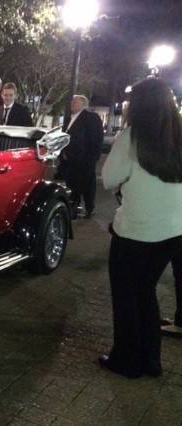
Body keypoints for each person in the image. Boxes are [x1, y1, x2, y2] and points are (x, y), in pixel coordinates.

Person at [100, 78, 182, 378]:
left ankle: (127, 360)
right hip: (174, 231)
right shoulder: (179, 136)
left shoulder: (132, 137)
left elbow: (109, 179)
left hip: (137, 229)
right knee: (146, 292)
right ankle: (151, 360)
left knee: (126, 295)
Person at [59, 95, 104, 218]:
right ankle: (74, 207)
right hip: (69, 161)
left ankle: (89, 209)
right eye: (72, 101)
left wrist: (92, 158)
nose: (72, 103)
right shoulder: (69, 119)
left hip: (84, 161)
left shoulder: (91, 118)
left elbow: (96, 139)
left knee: (87, 185)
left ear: (83, 104)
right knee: (72, 185)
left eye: (75, 101)